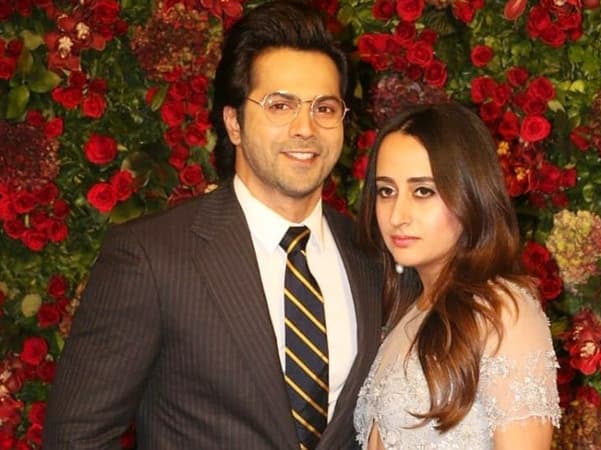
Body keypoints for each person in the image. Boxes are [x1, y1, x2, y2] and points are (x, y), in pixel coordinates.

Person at [42, 1, 382, 448]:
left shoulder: (372, 257)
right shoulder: (152, 257)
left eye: (325, 108)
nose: (306, 128)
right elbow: (76, 438)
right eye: (280, 105)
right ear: (234, 123)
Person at [353, 103, 561, 449]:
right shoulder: (411, 311)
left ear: (470, 194)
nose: (398, 215)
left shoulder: (502, 312)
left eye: (423, 191)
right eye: (386, 191)